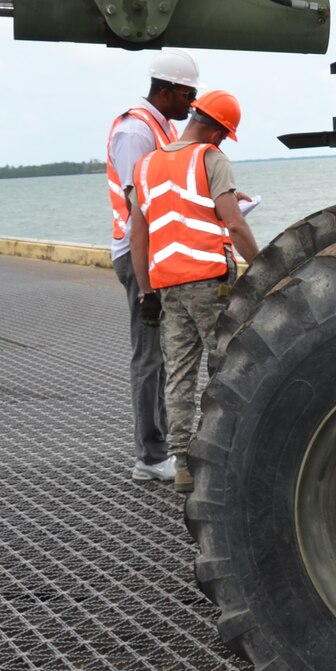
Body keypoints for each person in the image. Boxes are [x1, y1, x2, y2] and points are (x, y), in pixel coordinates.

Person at [129, 89, 261, 496]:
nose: (222, 141)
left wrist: (146, 292)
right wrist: (264, 267)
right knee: (228, 366)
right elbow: (235, 226)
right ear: (217, 128)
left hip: (167, 287)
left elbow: (140, 235)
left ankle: (183, 465)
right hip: (210, 283)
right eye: (224, 134)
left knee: (179, 375)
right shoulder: (211, 159)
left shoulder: (146, 165)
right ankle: (231, 455)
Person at [106, 48, 198, 484]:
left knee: (163, 354)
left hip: (159, 253)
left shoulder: (162, 127)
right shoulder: (134, 132)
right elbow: (136, 205)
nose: (192, 103)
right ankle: (150, 455)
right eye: (188, 94)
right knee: (148, 357)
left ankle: (160, 447)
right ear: (167, 91)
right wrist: (146, 286)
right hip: (138, 255)